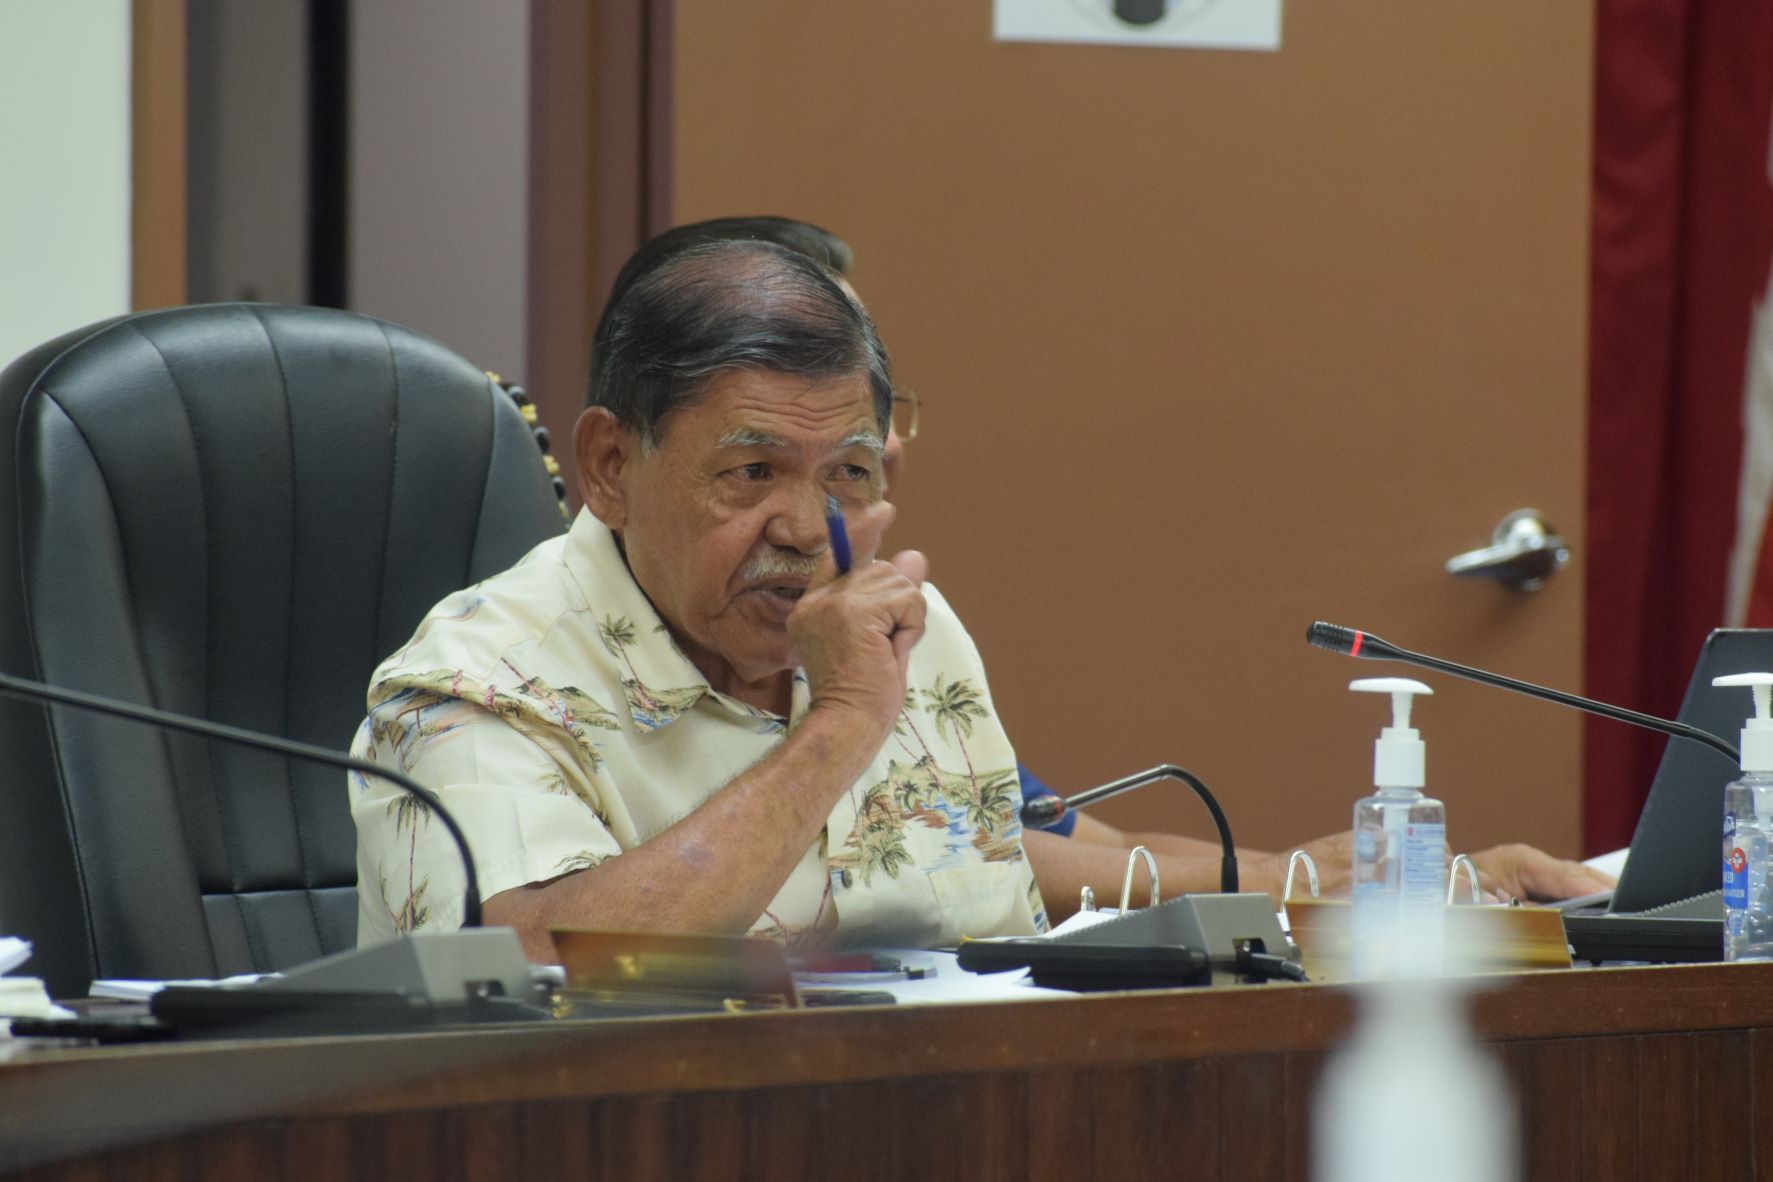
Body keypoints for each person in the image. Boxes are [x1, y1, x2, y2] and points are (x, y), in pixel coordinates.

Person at [573, 215, 1615, 920]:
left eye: (858, 434)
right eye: (762, 455)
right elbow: (539, 956)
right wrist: (1303, 882)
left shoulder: (900, 625)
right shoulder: (512, 667)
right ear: (621, 463)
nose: (877, 465)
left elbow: (1040, 844)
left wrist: (1333, 881)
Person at [349, 240, 1046, 960]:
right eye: (752, 470)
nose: (805, 529)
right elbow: (530, 977)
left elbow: (1010, 946)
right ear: (611, 466)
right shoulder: (474, 682)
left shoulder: (911, 633)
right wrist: (840, 725)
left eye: (847, 471)